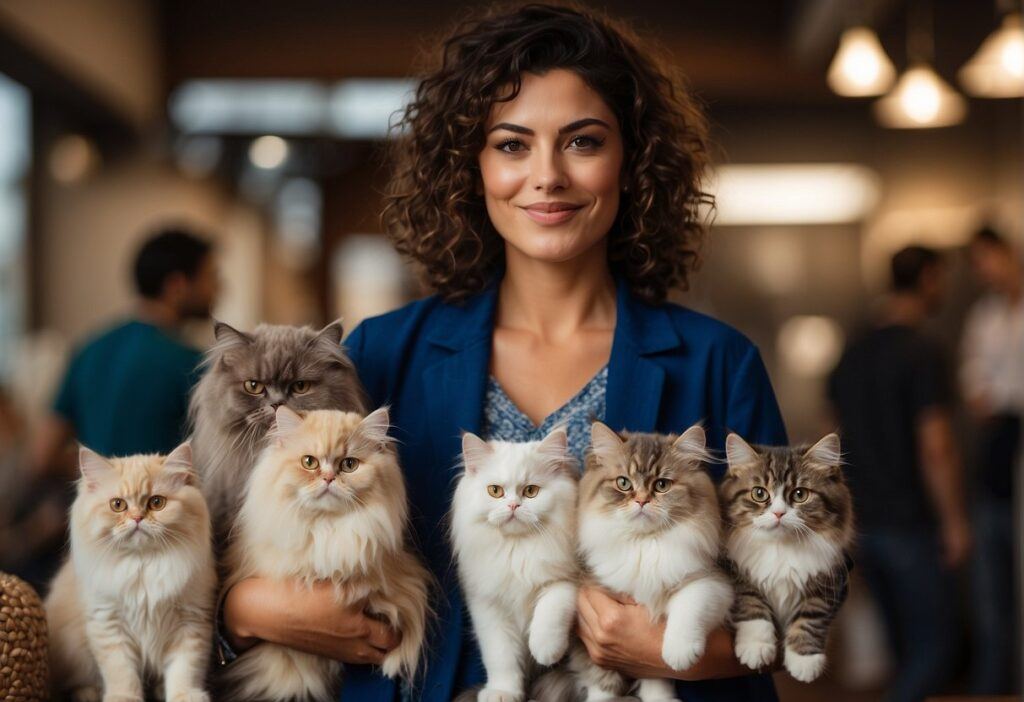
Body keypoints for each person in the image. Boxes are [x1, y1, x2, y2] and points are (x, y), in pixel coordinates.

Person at [223, 6, 787, 701]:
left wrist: (686, 653)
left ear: (633, 159)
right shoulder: (377, 355)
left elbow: (802, 594)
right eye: (512, 145)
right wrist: (243, 612)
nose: (547, 176)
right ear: (470, 166)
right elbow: (218, 529)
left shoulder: (717, 363)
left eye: (582, 142)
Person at [829, 245, 969, 702]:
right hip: (911, 523)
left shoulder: (850, 353)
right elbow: (937, 446)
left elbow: (831, 438)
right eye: (941, 278)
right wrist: (954, 522)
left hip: (862, 523)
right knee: (935, 650)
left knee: (902, 651)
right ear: (928, 277)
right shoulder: (923, 351)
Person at [33, 227, 218, 472]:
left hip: (102, 506)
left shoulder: (89, 349)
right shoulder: (189, 363)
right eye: (210, 277)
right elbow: (220, 462)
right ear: (178, 285)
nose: (217, 289)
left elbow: (42, 455)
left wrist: (106, 473)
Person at [960, 226, 1022, 694]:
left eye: (989, 259)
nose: (986, 271)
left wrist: (998, 395)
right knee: (990, 596)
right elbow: (974, 389)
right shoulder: (984, 314)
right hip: (994, 460)